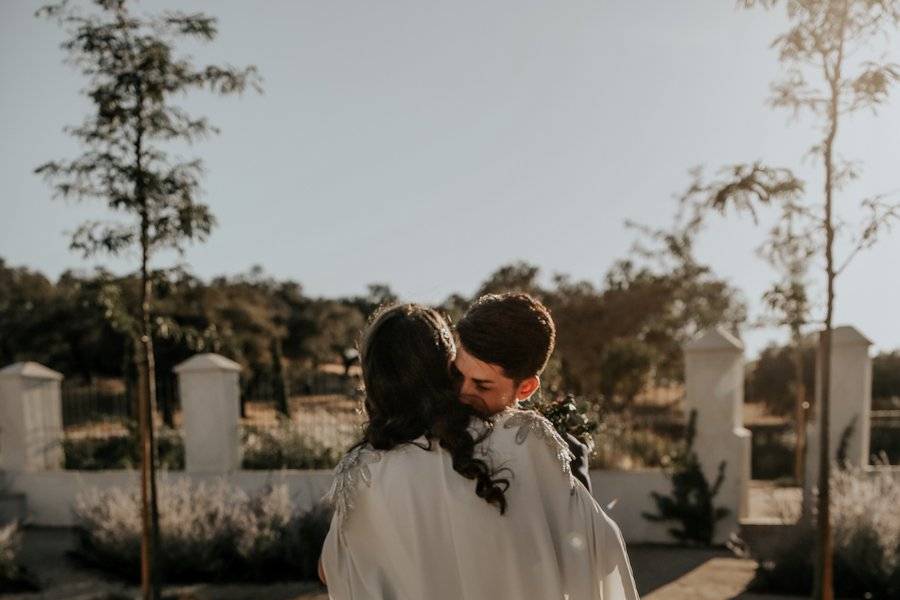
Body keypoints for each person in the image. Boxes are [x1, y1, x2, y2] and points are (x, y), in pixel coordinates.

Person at [320, 304, 638, 599]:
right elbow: (600, 554)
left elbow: (331, 570)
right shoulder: (521, 439)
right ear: (445, 366)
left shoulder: (361, 473)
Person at [455, 292, 593, 492]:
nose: (462, 392)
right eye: (457, 375)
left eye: (482, 386)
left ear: (526, 388)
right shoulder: (427, 433)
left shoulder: (562, 459)